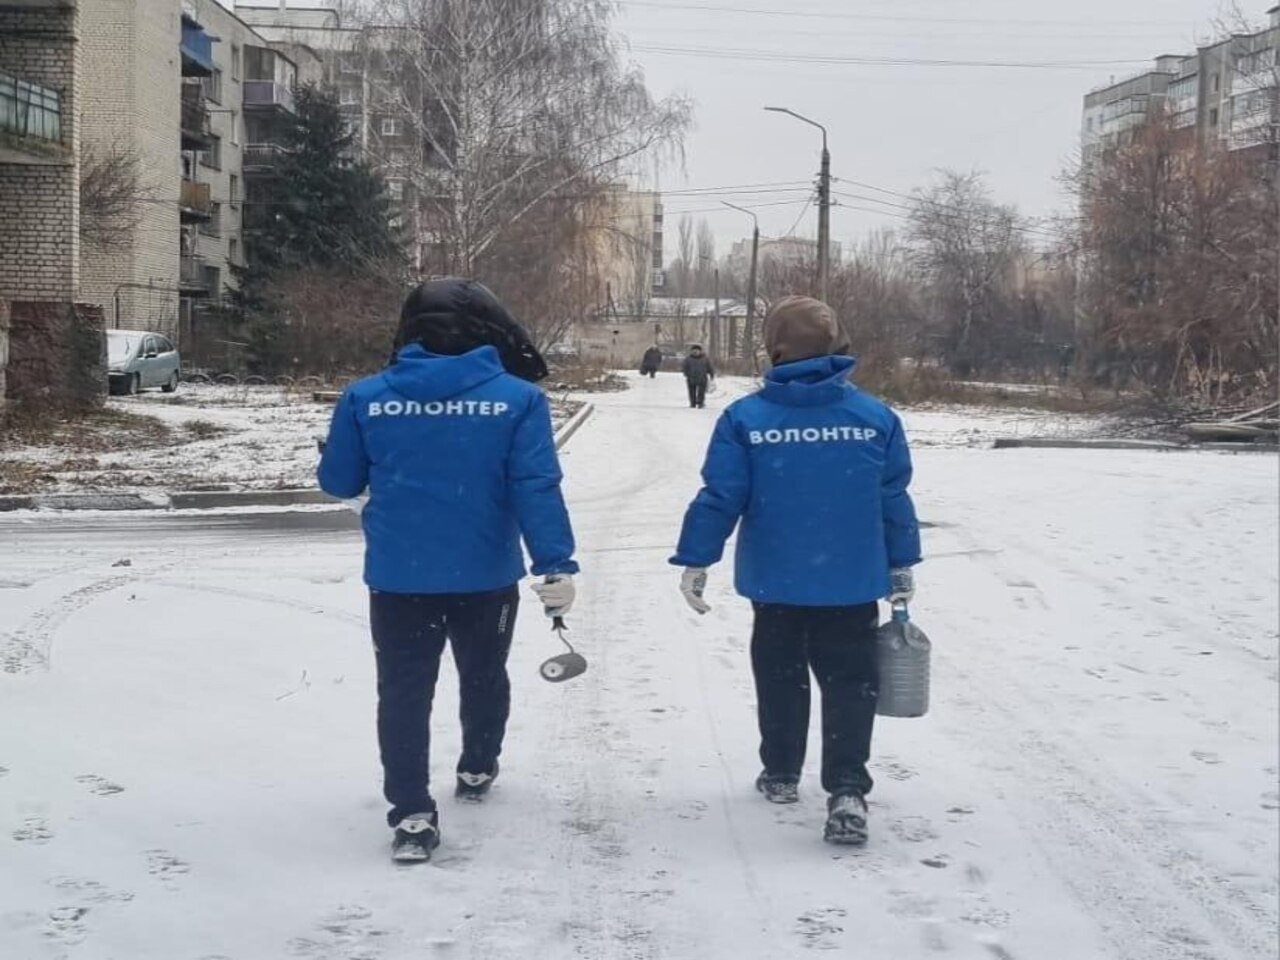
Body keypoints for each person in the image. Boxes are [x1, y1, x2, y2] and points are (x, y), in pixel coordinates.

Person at [318, 278, 579, 863]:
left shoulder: (365, 397)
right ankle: (479, 765)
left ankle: (411, 812)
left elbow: (338, 482)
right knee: (484, 674)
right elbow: (535, 486)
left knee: (404, 693)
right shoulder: (518, 401)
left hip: (398, 576)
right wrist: (555, 563)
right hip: (485, 576)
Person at [670, 296, 921, 846]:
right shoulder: (875, 418)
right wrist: (901, 563)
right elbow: (893, 499)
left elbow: (721, 495)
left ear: (774, 348)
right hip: (852, 583)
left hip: (776, 582)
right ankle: (848, 787)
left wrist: (696, 558)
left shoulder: (747, 419)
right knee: (852, 684)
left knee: (780, 675)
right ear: (838, 347)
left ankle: (782, 771)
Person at [682, 344, 714, 408]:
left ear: (700, 351)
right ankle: (692, 403)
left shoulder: (705, 358)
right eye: (694, 351)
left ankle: (700, 403)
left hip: (702, 378)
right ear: (692, 351)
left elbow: (709, 367)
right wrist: (686, 373)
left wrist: (711, 374)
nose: (695, 352)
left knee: (701, 392)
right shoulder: (688, 359)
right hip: (691, 378)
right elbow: (684, 367)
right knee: (692, 392)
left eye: (697, 350)